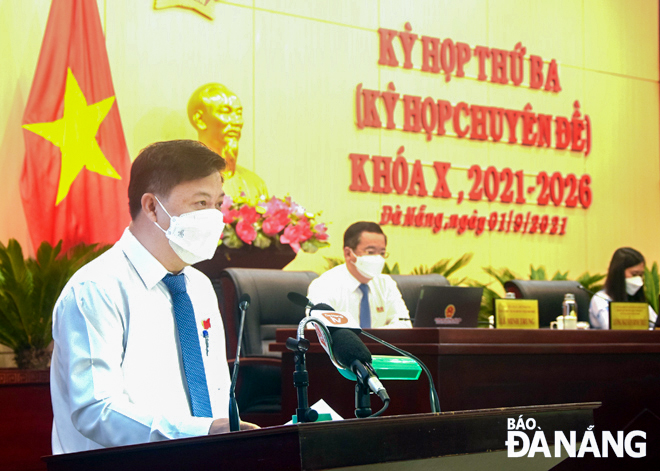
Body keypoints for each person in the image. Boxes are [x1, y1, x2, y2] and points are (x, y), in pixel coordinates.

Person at [50, 140, 258, 454]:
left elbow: (215, 393)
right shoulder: (96, 288)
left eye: (218, 204)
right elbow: (96, 410)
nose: (215, 217)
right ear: (151, 207)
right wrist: (200, 432)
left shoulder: (199, 287)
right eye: (201, 203)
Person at [307, 222, 411, 328]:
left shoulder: (386, 284)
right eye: (370, 252)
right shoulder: (324, 285)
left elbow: (404, 325)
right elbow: (318, 330)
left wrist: (372, 340)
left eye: (382, 253)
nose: (378, 258)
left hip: (381, 345)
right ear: (348, 254)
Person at [187, 83, 268, 203]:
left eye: (239, 113)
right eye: (226, 112)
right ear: (199, 120)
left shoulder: (254, 184)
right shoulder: (183, 183)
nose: (237, 121)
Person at [589, 247, 658, 329]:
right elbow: (612, 329)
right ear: (619, 274)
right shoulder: (601, 299)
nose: (638, 279)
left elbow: (656, 325)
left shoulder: (638, 301)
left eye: (641, 275)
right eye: (634, 274)